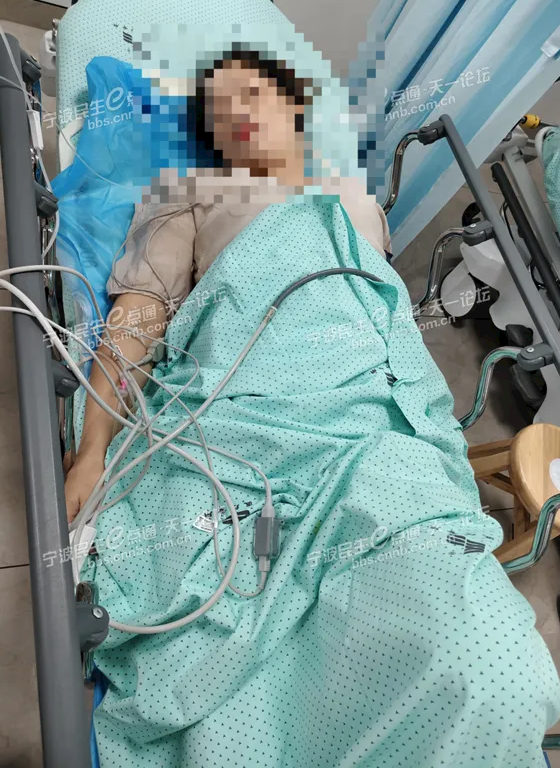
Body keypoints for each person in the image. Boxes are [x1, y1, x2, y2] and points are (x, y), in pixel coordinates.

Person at [64, 47, 390, 522]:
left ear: (294, 105)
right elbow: (141, 313)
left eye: (251, 95)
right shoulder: (191, 186)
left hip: (369, 404)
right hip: (240, 402)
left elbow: (389, 313)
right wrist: (93, 450)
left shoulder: (356, 194)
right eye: (218, 111)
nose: (236, 113)